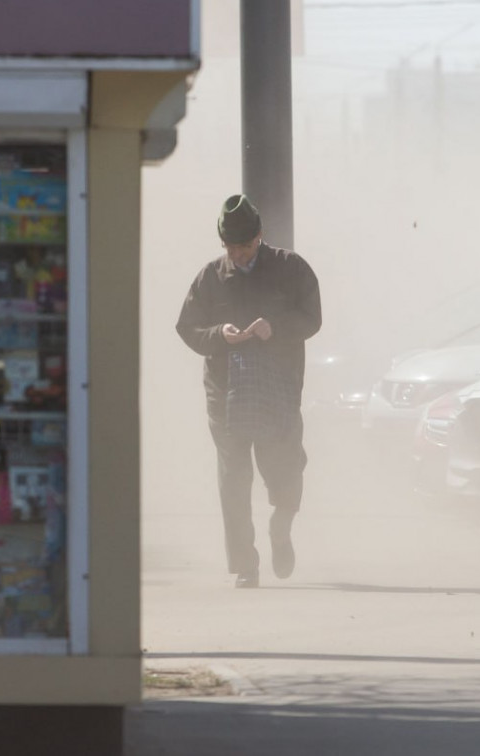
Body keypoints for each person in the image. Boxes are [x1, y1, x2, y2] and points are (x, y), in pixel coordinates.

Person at [175, 194, 322, 588]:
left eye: (245, 246)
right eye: (230, 247)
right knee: (234, 477)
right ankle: (245, 564)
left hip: (279, 389)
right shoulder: (210, 277)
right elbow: (187, 328)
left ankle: (281, 524)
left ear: (260, 236)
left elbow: (312, 319)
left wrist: (275, 326)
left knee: (286, 465)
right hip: (225, 394)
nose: (238, 255)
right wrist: (219, 335)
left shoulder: (291, 269)